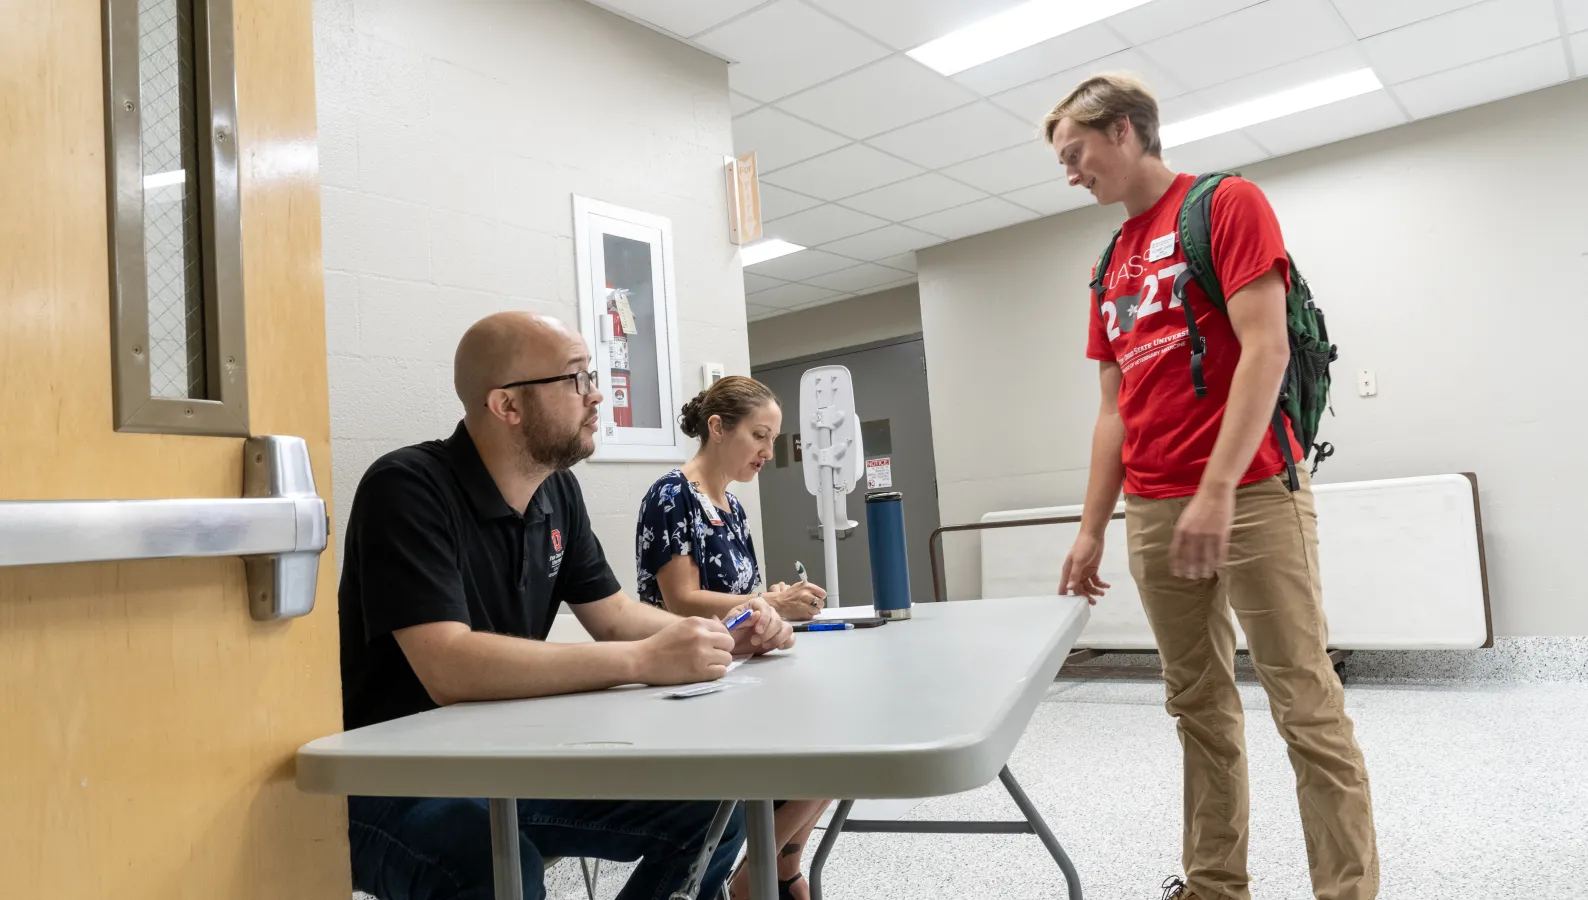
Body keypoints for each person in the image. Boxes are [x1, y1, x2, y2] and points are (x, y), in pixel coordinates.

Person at [1043, 74, 1379, 900]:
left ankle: (1346, 890)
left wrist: (1220, 487)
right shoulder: (1107, 263)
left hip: (1254, 490)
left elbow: (1263, 350)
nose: (1070, 173)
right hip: (1156, 507)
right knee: (1196, 704)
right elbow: (1114, 409)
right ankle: (1214, 883)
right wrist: (1093, 526)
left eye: (1075, 154)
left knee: (1304, 699)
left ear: (1124, 131)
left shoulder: (1226, 205)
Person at [338, 311, 794, 900]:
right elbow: (447, 666)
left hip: (502, 757)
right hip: (394, 775)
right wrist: (641, 661)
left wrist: (727, 634)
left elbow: (615, 616)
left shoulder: (556, 490)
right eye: (577, 379)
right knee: (493, 864)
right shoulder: (405, 487)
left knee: (715, 811)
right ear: (507, 405)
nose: (597, 394)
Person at [635, 375, 830, 900]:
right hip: (692, 679)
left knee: (841, 739)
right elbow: (682, 601)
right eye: (760, 437)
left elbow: (738, 601)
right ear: (718, 428)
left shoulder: (732, 506)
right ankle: (763, 874)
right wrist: (768, 604)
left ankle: (772, 869)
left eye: (772, 439)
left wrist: (772, 604)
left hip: (741, 667)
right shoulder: (671, 496)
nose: (770, 451)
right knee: (829, 749)